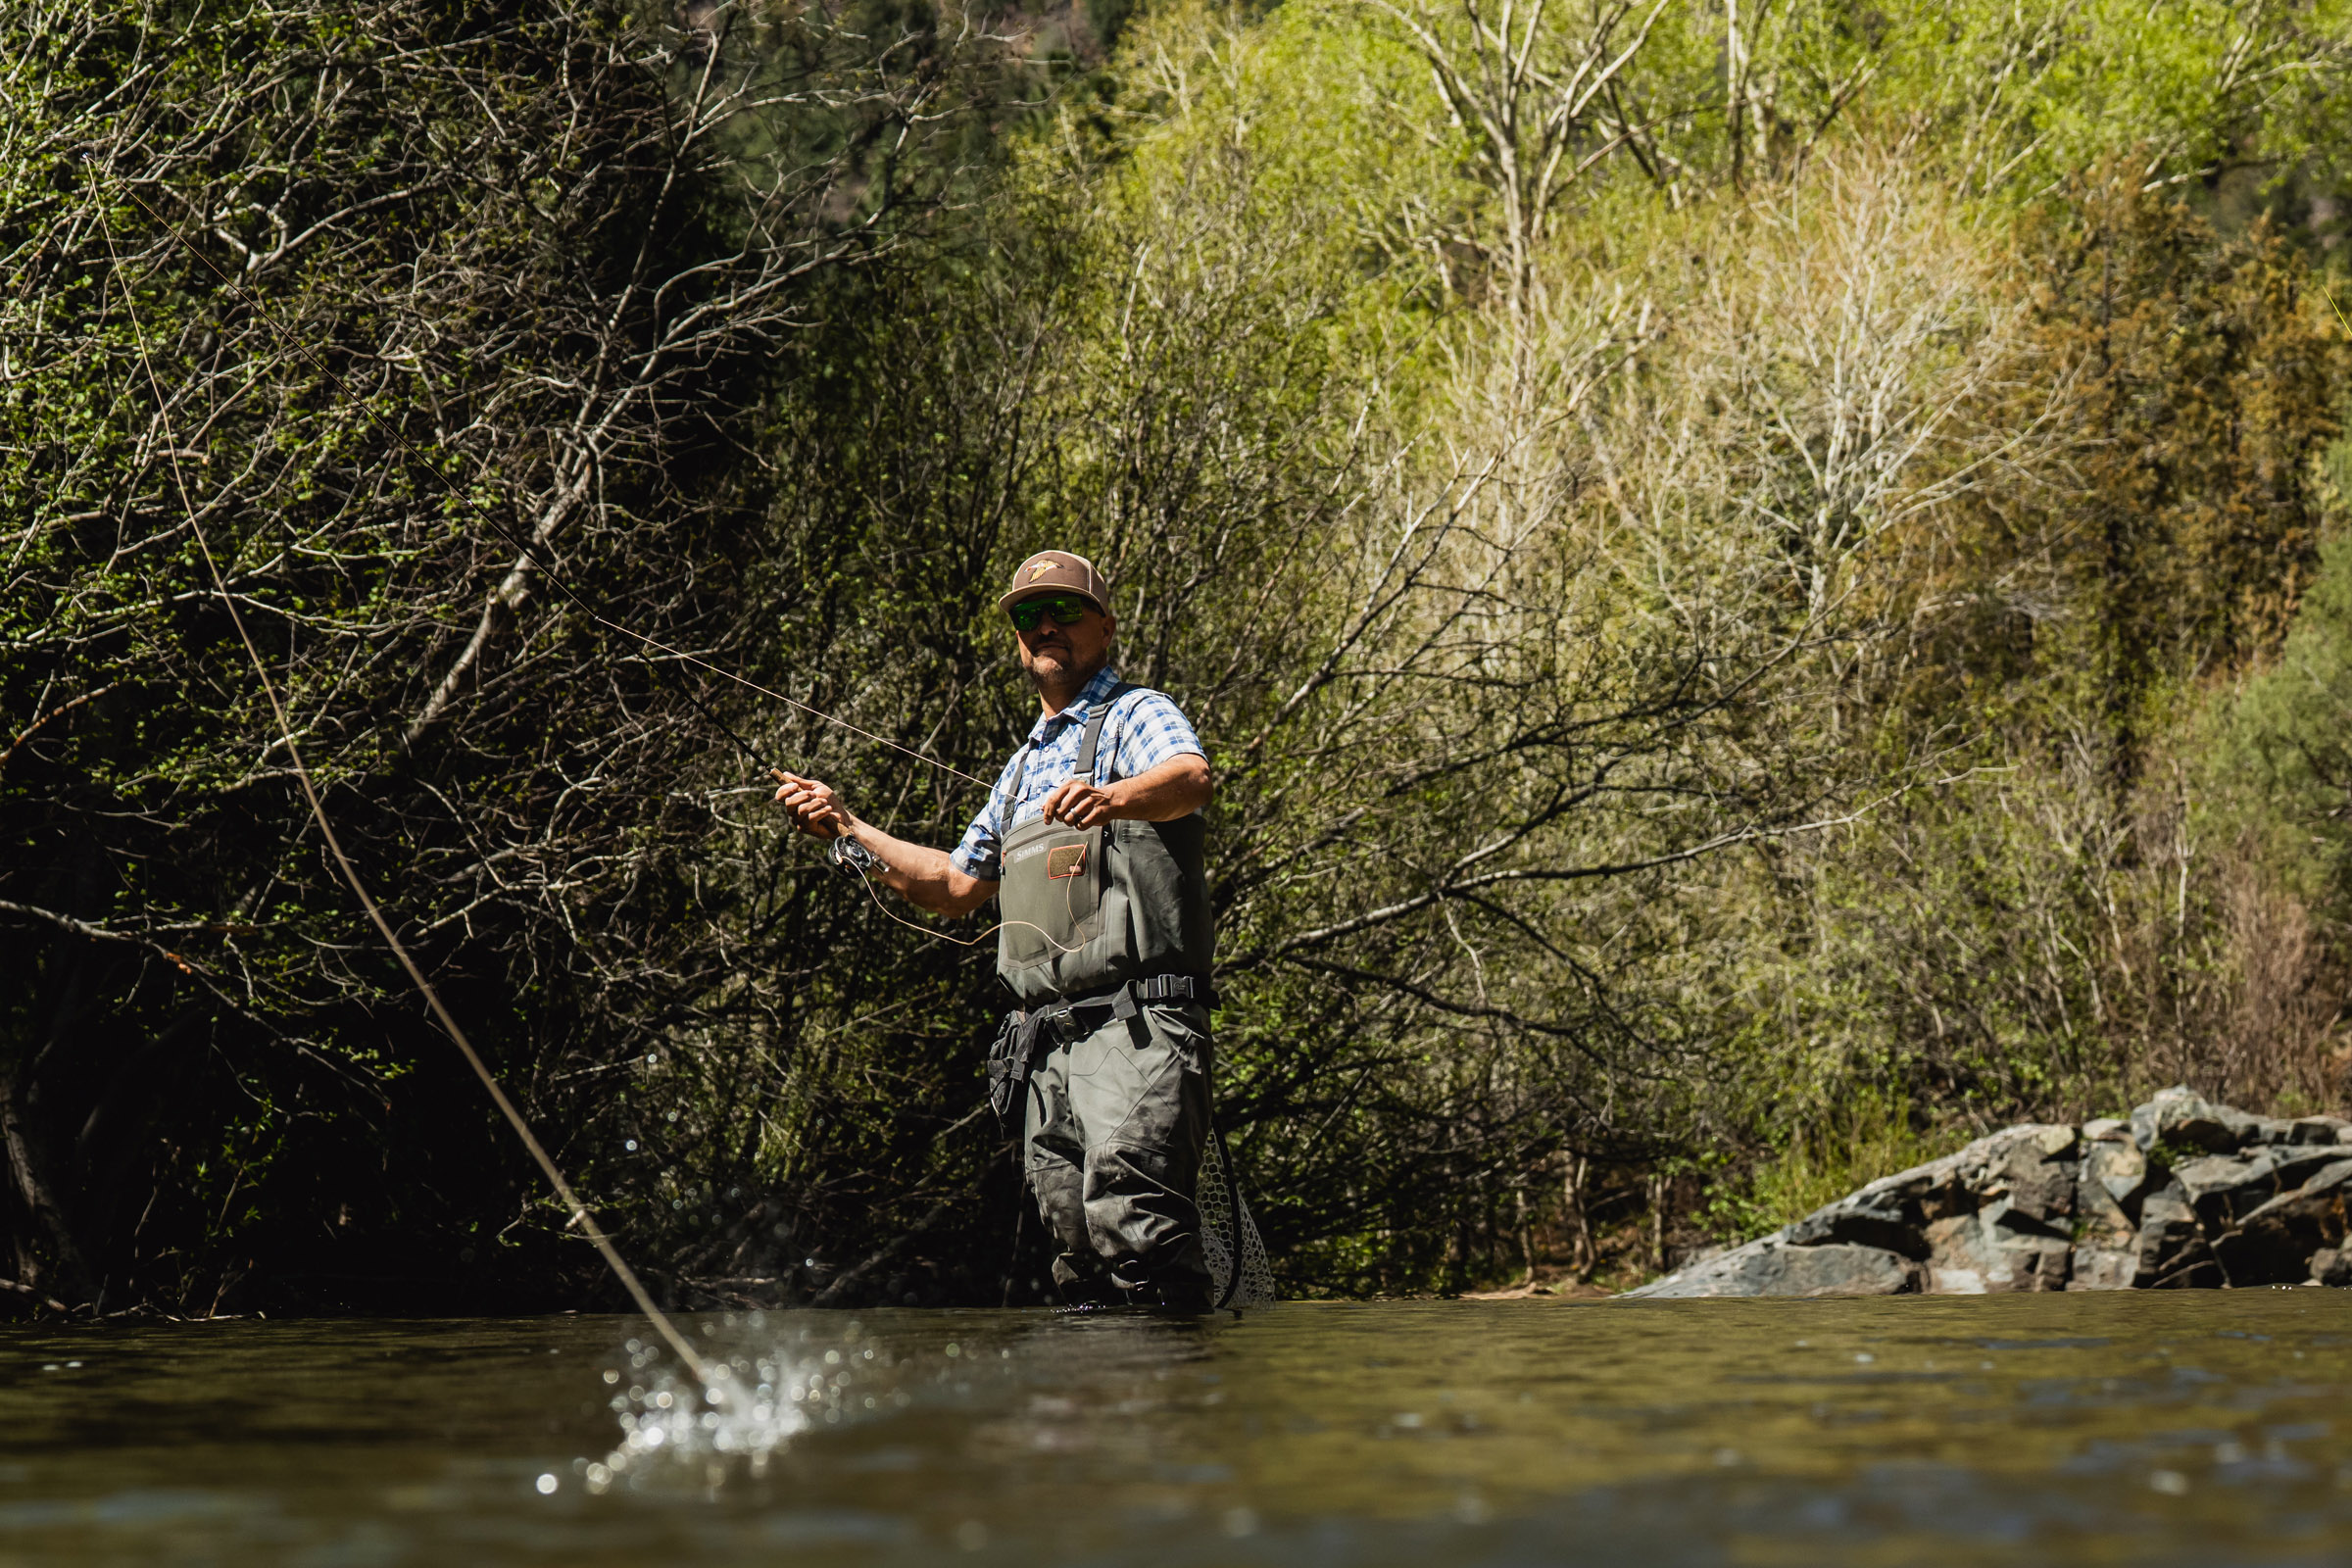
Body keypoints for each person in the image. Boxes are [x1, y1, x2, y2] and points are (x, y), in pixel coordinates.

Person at [772, 550, 1220, 1310]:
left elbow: (1190, 779)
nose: (1045, 625)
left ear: (1105, 627)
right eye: (1027, 616)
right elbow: (953, 886)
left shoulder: (1137, 714)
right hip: (1047, 1043)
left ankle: (1171, 1418)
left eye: (1065, 611)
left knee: (1136, 1228)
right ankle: (1094, 1417)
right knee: (1074, 1246)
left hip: (1137, 1027)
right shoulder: (1020, 769)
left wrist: (1111, 798)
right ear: (1016, 638)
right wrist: (847, 829)